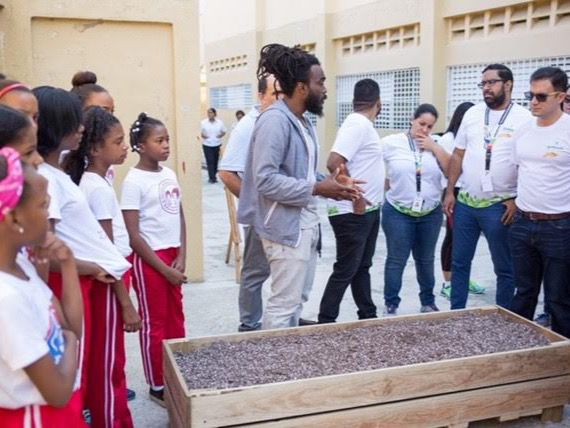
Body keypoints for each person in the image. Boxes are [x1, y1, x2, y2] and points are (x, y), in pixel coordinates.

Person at [238, 43, 363, 329]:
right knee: (283, 306)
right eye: (320, 82)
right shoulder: (274, 121)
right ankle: (274, 371)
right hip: (283, 228)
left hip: (304, 224)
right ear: (302, 87)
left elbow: (301, 173)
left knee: (296, 301)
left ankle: (288, 364)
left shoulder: (302, 121)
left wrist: (330, 181)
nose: (326, 89)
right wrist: (318, 189)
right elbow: (265, 180)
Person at [33, 86, 131, 423]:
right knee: (86, 364)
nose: (80, 129)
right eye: (75, 123)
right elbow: (46, 246)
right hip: (80, 283)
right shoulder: (45, 179)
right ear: (57, 126)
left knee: (92, 363)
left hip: (86, 278)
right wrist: (93, 267)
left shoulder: (55, 174)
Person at [63, 106, 140, 427]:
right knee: (109, 364)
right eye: (118, 141)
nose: (125, 147)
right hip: (111, 285)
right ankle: (114, 419)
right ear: (95, 149)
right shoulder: (95, 189)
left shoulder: (96, 181)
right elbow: (106, 253)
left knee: (107, 361)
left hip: (112, 280)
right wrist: (126, 303)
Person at [0, 148, 85, 426]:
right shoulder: (6, 297)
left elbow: (70, 324)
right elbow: (57, 392)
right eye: (42, 205)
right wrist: (70, 339)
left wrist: (68, 263)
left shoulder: (22, 266)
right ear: (14, 218)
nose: (48, 213)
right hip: (36, 418)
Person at [443, 64, 532, 310]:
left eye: (491, 82)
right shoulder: (472, 114)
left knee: (504, 267)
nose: (486, 88)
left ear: (508, 84)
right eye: (483, 83)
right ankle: (456, 314)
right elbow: (458, 155)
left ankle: (503, 315)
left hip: (499, 206)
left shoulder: (524, 118)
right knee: (460, 263)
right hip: (467, 204)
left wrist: (518, 200)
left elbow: (529, 163)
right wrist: (451, 191)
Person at [121, 112, 187, 406]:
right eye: (159, 140)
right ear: (141, 145)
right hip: (151, 259)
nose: (166, 146)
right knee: (155, 323)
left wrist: (183, 254)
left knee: (176, 318)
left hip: (173, 255)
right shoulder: (133, 181)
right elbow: (133, 235)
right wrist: (163, 268)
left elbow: (180, 215)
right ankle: (157, 384)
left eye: (168, 139)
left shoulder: (169, 174)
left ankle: (177, 372)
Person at [509, 67, 570, 338]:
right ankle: (519, 354)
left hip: (559, 226)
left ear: (561, 97)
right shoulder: (523, 131)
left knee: (559, 299)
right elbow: (515, 170)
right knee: (523, 293)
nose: (533, 102)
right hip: (523, 222)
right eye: (530, 95)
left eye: (541, 96)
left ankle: (562, 361)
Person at [318, 78, 384, 323]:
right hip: (352, 211)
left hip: (367, 210)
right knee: (346, 268)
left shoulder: (361, 124)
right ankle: (326, 320)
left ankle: (368, 314)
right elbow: (333, 162)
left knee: (361, 266)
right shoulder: (357, 124)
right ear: (379, 103)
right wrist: (353, 194)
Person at [218, 75, 279, 332]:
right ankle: (250, 324)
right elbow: (226, 173)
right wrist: (254, 205)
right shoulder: (249, 126)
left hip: (284, 212)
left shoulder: (284, 120)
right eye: (274, 94)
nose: (279, 99)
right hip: (260, 215)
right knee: (255, 272)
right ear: (261, 96)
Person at [381, 104, 449, 315]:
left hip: (430, 213)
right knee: (396, 259)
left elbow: (452, 170)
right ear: (412, 119)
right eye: (421, 124)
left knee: (426, 259)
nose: (425, 130)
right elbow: (370, 161)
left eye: (430, 126)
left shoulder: (436, 144)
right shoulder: (392, 143)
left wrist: (434, 147)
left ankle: (428, 301)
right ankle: (391, 303)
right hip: (398, 212)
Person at [436, 102, 485, 299]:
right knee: (452, 237)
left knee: (465, 241)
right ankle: (448, 282)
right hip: (453, 191)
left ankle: (462, 279)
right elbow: (449, 167)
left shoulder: (472, 138)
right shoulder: (448, 139)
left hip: (469, 192)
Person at [200, 107, 226, 183]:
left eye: (211, 112)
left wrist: (220, 135)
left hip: (217, 144)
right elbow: (199, 131)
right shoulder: (203, 122)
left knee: (215, 161)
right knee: (210, 161)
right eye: (208, 113)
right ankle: (212, 178)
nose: (209, 114)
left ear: (215, 114)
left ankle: (213, 175)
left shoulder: (220, 122)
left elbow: (224, 131)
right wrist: (203, 135)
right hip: (207, 144)